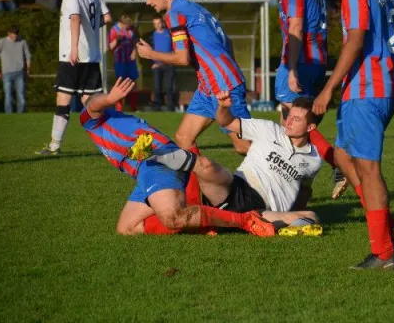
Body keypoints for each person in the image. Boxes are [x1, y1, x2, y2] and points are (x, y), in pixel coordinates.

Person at [313, 0, 394, 270]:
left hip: (368, 86)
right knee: (342, 155)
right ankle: (388, 227)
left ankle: (384, 253)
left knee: (368, 169)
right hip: (383, 83)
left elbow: (355, 40)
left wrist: (328, 88)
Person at [80, 77, 276, 237]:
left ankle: (244, 220)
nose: (90, 99)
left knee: (172, 218)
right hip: (145, 170)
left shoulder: (91, 120)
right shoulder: (104, 123)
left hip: (155, 160)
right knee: (127, 228)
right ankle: (201, 222)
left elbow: (93, 104)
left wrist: (108, 98)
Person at [153, 93, 326, 235]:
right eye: (289, 115)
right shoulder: (269, 129)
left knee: (311, 216)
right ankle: (157, 155)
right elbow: (227, 122)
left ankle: (286, 229)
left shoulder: (314, 160)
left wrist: (292, 213)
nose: (288, 121)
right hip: (235, 189)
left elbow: (304, 190)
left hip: (263, 210)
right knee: (206, 165)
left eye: (296, 119)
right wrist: (223, 108)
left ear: (310, 127)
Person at [263, 0, 346, 198]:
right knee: (295, 129)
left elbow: (296, 27)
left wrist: (291, 69)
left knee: (293, 123)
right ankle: (300, 193)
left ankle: (337, 163)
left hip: (300, 59)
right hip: (317, 57)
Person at [136, 0, 251, 157]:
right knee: (184, 138)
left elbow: (182, 58)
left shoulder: (173, 14)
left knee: (244, 146)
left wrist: (151, 54)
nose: (148, 2)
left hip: (223, 86)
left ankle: (289, 163)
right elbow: (227, 41)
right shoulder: (195, 8)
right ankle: (205, 176)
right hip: (209, 86)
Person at [35, 0, 112, 156]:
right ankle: (114, 143)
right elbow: (107, 18)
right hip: (92, 56)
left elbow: (75, 19)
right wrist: (91, 30)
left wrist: (74, 48)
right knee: (92, 104)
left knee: (63, 100)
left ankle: (54, 146)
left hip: (73, 56)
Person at [0, 24, 31, 113]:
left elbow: (28, 55)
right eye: (12, 35)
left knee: (21, 97)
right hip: (7, 74)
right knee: (8, 97)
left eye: (16, 35)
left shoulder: (22, 41)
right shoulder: (2, 42)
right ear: (8, 33)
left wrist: (28, 70)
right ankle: (9, 116)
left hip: (20, 73)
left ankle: (20, 116)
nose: (14, 37)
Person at [108, 15, 139, 111]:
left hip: (130, 61)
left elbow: (135, 42)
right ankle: (119, 107)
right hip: (120, 61)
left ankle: (133, 106)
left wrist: (134, 51)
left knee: (133, 83)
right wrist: (116, 40)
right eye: (126, 26)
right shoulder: (113, 30)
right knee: (120, 84)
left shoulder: (130, 30)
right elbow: (110, 47)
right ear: (122, 23)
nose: (127, 28)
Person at [150, 15, 176, 111]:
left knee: (169, 87)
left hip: (169, 64)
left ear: (162, 23)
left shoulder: (169, 33)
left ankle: (170, 108)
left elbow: (175, 48)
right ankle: (157, 108)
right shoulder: (152, 35)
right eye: (155, 24)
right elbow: (150, 51)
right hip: (157, 66)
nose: (157, 25)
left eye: (159, 23)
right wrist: (153, 62)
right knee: (157, 88)